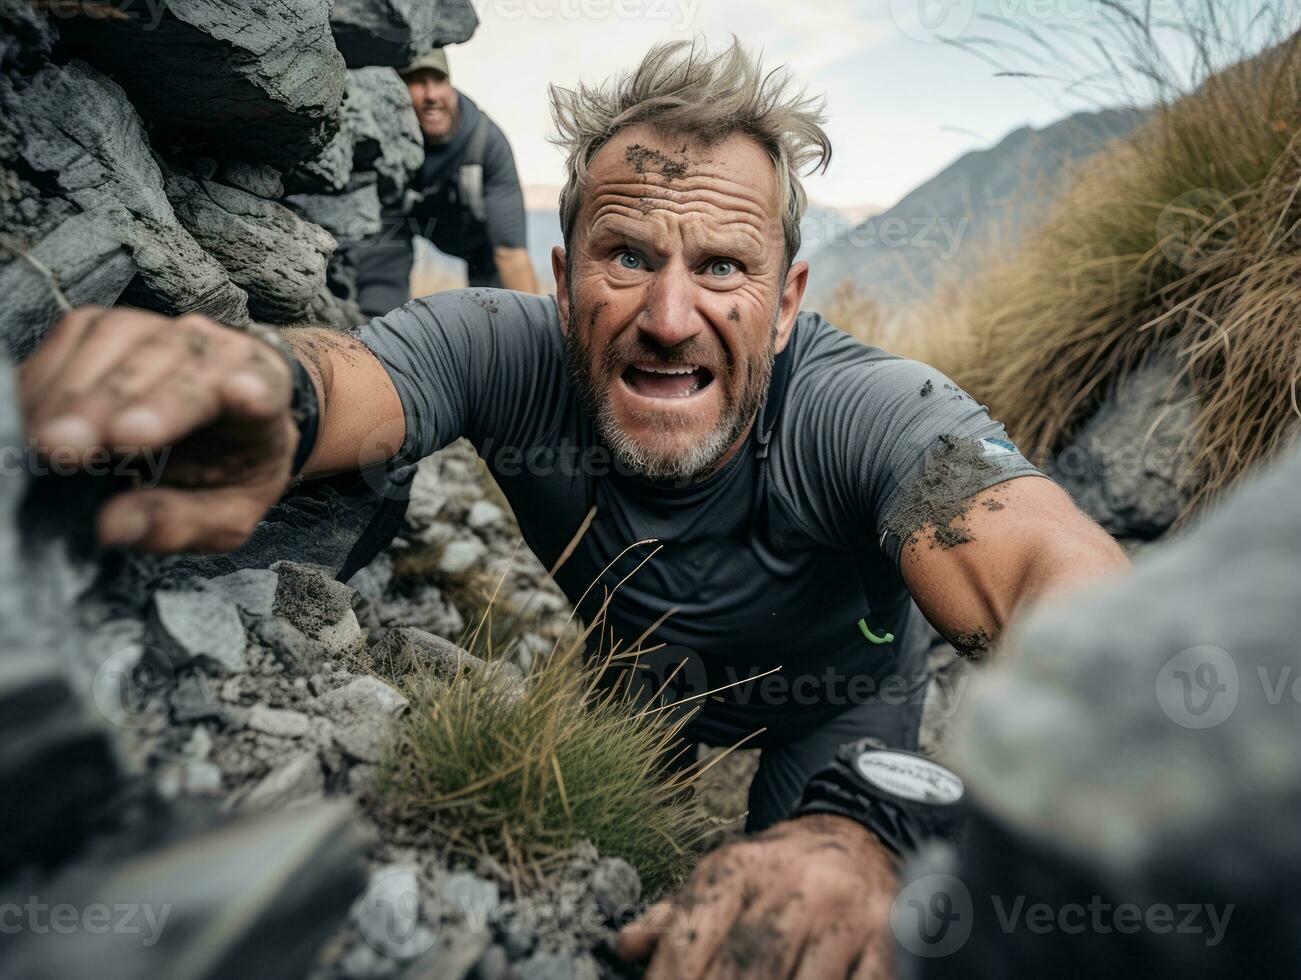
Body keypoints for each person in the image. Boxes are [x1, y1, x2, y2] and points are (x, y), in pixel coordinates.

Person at [20, 39, 1129, 979]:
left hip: (828, 711)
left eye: (723, 266)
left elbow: (1068, 592)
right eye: (627, 256)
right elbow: (352, 379)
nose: (666, 312)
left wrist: (884, 826)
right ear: (562, 280)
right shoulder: (504, 350)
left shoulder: (866, 412)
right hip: (631, 673)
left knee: (796, 915)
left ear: (787, 301)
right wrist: (269, 393)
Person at [350, 47, 538, 316]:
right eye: (417, 81)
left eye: (439, 80)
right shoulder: (379, 138)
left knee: (503, 309)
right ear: (398, 91)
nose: (431, 95)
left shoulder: (487, 143)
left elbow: (511, 253)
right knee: (378, 302)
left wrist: (540, 336)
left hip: (474, 240)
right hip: (401, 224)